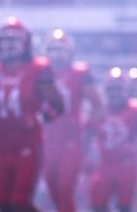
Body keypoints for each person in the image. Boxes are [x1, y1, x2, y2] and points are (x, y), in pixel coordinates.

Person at [0, 17, 66, 212]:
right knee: (3, 203)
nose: (7, 47)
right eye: (3, 42)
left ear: (25, 43)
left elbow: (57, 104)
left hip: (28, 143)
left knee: (18, 203)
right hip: (3, 145)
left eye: (12, 42)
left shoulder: (38, 69)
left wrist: (43, 117)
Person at [44, 29, 101, 212]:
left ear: (70, 52)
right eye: (53, 50)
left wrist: (89, 130)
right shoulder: (41, 75)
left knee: (65, 188)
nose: (57, 55)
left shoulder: (79, 74)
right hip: (47, 140)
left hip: (70, 139)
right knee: (50, 190)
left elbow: (97, 104)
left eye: (61, 50)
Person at [88, 68, 137, 212]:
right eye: (111, 89)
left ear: (125, 90)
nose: (115, 93)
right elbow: (86, 135)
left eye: (118, 89)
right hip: (104, 165)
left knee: (125, 207)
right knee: (98, 205)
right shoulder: (99, 109)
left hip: (126, 165)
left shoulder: (136, 110)